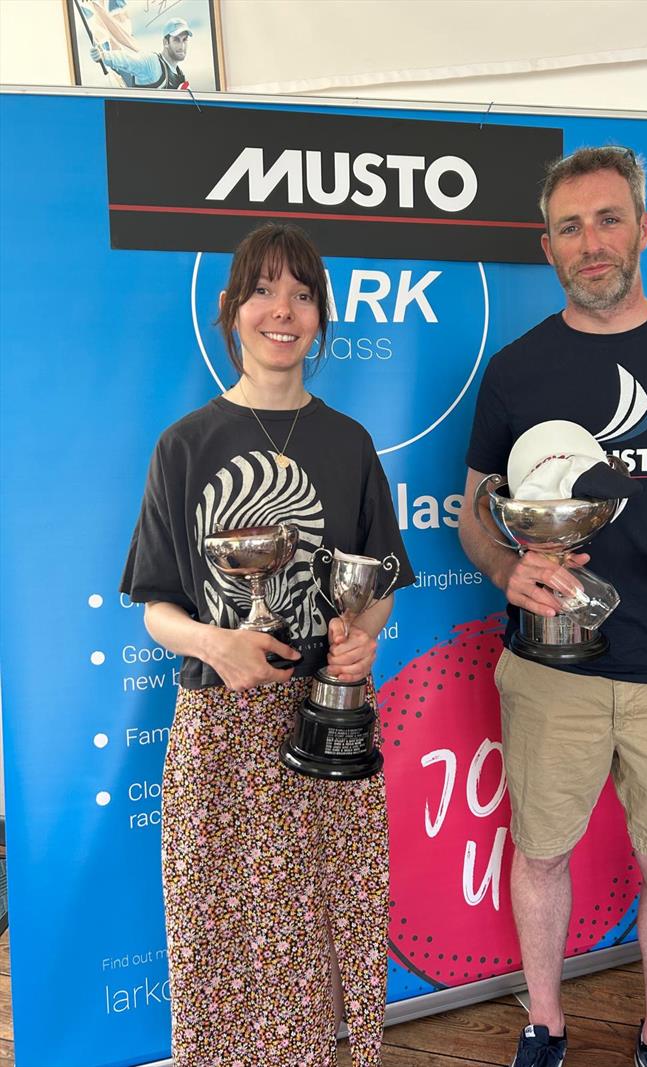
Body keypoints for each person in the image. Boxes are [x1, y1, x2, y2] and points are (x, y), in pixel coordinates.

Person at [458, 146, 647, 1067]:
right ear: (545, 245)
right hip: (552, 666)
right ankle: (544, 1024)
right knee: (541, 853)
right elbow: (477, 512)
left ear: (643, 227)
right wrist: (505, 571)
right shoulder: (515, 372)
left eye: (607, 219)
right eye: (569, 227)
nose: (591, 243)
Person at [121, 223, 414, 1066]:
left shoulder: (350, 444)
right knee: (219, 921)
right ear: (231, 309)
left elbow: (380, 584)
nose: (282, 310)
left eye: (302, 294)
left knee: (331, 915)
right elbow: (156, 607)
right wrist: (218, 644)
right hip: (220, 723)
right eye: (263, 290)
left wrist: (361, 642)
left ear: (321, 317)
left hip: (329, 718)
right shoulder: (184, 446)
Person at [89, 15, 191, 89]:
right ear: (166, 42)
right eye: (176, 40)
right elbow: (127, 60)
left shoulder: (179, 75)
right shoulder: (153, 63)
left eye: (184, 40)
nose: (182, 46)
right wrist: (103, 56)